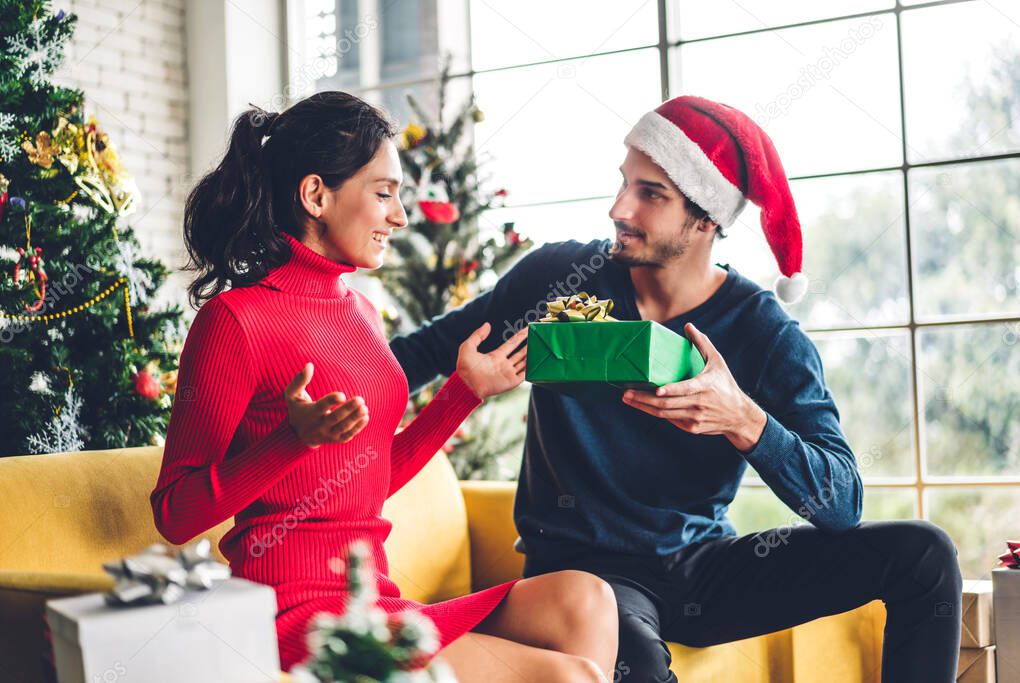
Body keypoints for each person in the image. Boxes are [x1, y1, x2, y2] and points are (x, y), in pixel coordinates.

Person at [390, 95, 963, 682]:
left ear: (707, 218)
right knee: (634, 662)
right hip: (583, 577)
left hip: (702, 566)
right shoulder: (560, 278)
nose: (619, 208)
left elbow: (842, 503)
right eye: (624, 184)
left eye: (650, 194)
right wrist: (308, 386)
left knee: (924, 553)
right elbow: (418, 356)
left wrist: (746, 422)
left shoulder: (762, 332)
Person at [150, 91, 618, 681]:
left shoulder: (361, 315)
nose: (399, 216)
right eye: (384, 192)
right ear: (316, 195)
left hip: (375, 599)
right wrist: (291, 443)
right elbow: (173, 512)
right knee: (568, 676)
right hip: (298, 614)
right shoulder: (235, 321)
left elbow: (363, 481)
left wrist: (462, 394)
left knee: (587, 599)